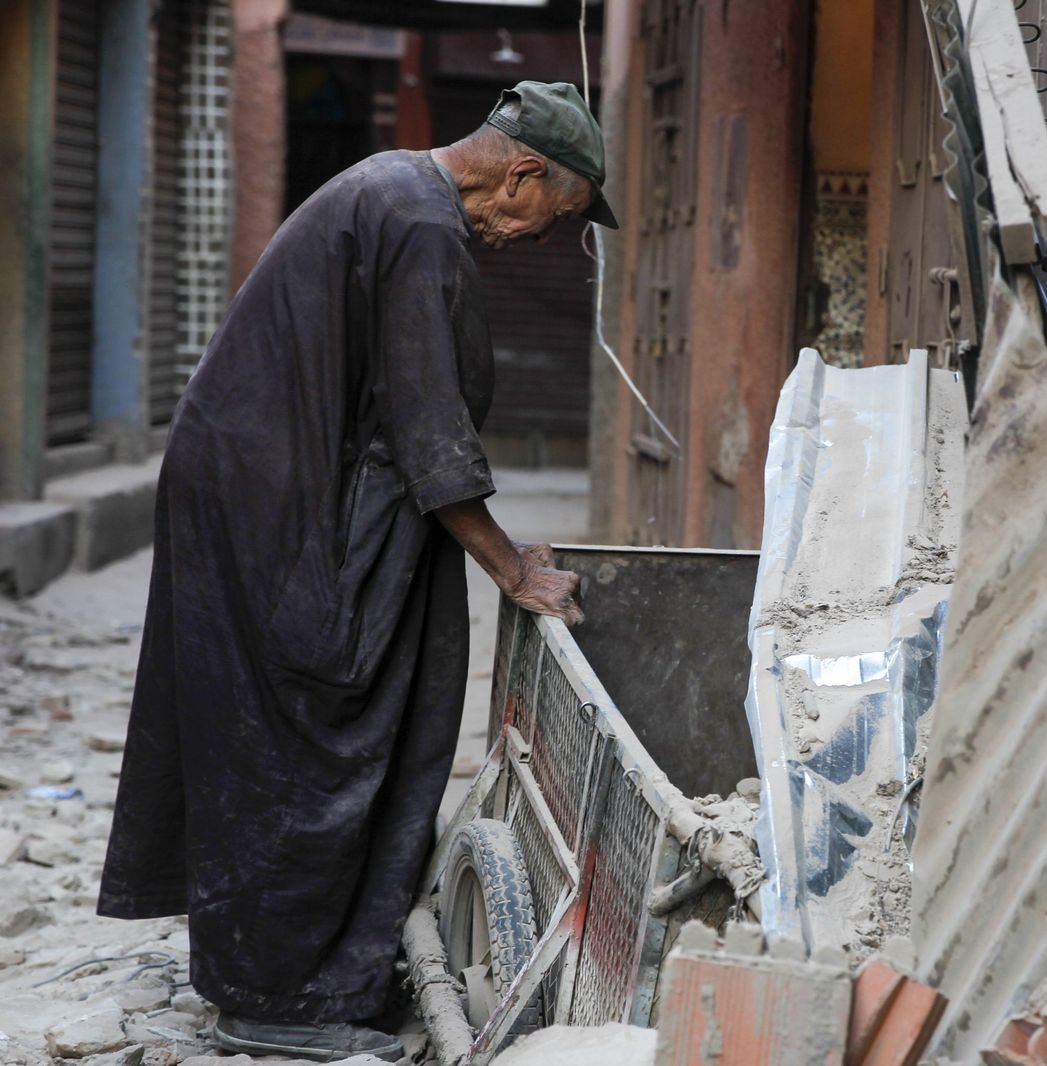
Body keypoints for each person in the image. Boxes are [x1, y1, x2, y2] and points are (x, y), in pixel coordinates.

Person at [96, 81, 617, 1061]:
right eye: (560, 216)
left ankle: (293, 972)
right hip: (274, 504)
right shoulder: (422, 227)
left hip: (266, 490)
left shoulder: (400, 192)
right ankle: (280, 1000)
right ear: (524, 174)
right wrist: (511, 569)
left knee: (313, 720)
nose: (546, 238)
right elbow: (430, 429)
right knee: (319, 730)